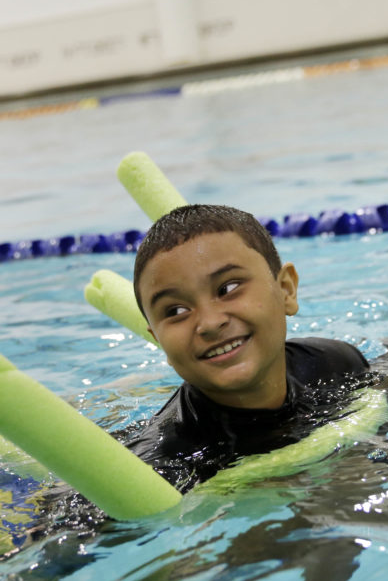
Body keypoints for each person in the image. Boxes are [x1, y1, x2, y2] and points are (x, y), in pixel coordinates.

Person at [121, 203, 372, 492]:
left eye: (227, 288)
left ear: (286, 289)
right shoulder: (163, 466)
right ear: (158, 340)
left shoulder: (335, 365)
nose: (210, 323)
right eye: (176, 311)